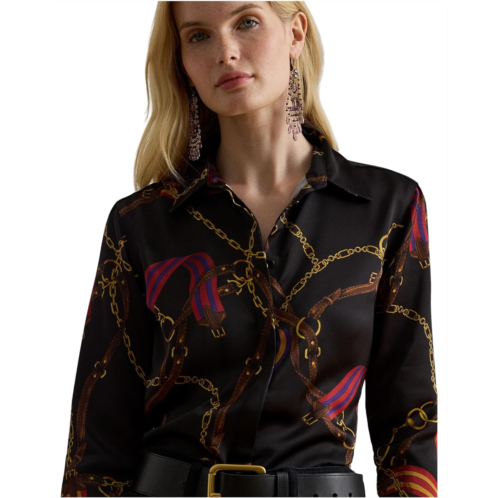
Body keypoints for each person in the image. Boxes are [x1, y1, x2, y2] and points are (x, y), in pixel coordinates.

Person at [60, 2, 438, 497]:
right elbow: (97, 442)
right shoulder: (142, 223)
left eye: (247, 22)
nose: (226, 52)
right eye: (198, 36)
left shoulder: (388, 208)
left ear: (295, 33)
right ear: (181, 61)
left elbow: (409, 426)